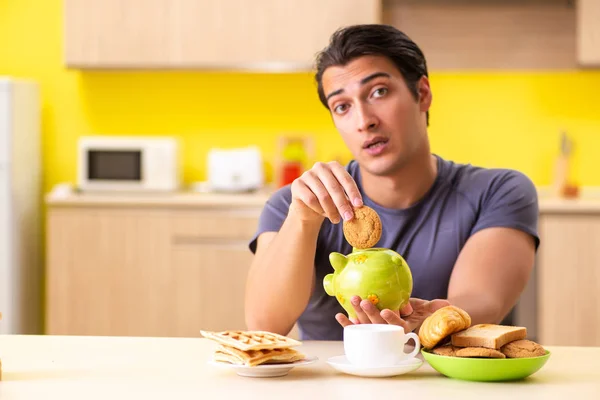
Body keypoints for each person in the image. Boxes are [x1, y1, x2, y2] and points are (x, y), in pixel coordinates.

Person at [244, 24, 539, 341]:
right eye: (342, 106)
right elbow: (265, 325)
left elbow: (482, 301)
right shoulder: (295, 204)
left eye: (378, 92)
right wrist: (303, 220)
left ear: (422, 94)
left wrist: (422, 322)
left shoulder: (498, 192)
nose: (364, 120)